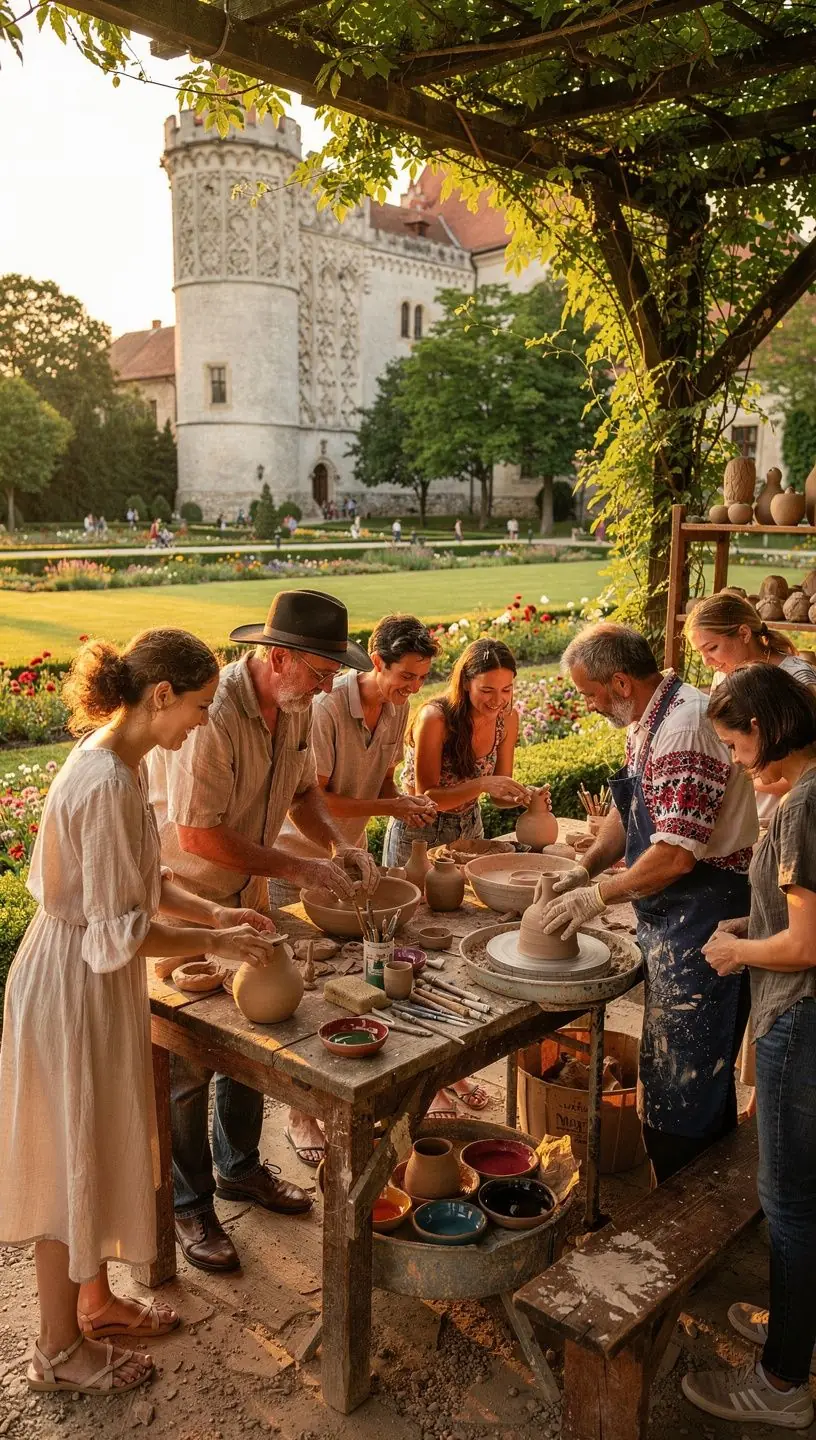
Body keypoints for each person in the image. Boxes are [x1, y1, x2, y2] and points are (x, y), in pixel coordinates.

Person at [0, 629, 277, 1398]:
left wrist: (221, 923)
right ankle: (56, 1353)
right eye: (194, 707)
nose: (198, 723)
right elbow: (127, 929)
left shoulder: (119, 760)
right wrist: (221, 945)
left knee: (93, 1142)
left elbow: (145, 883)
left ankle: (95, 1305)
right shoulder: (108, 782)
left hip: (91, 977)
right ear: (160, 697)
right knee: (67, 1162)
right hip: (72, 983)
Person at [147, 590, 379, 1274]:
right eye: (319, 669)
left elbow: (306, 793)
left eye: (336, 670)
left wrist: (336, 848)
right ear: (277, 658)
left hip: (238, 892)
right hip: (182, 898)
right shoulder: (215, 715)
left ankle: (239, 1167)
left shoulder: (294, 707)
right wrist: (296, 869)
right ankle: (189, 1206)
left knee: (254, 1028)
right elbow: (197, 832)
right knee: (192, 1055)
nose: (330, 682)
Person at [542, 623, 757, 1182]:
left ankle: (694, 1204)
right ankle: (690, 1186)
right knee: (671, 1073)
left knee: (687, 1082)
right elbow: (628, 808)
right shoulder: (649, 718)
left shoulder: (685, 727)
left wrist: (597, 898)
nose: (588, 705)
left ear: (619, 682)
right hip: (675, 909)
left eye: (589, 693)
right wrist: (582, 869)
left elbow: (674, 857)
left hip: (706, 910)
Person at [681, 665, 816, 1431]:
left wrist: (739, 954)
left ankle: (781, 1384)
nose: (732, 760)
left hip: (800, 1020)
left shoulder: (804, 804)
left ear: (764, 729)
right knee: (803, 1197)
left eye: (733, 744)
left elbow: (805, 946)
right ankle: (796, 1330)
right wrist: (749, 926)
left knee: (790, 1203)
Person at [278, 615, 440, 1165]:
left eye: (421, 678)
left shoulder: (395, 707)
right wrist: (391, 807)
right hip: (297, 857)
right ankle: (301, 1114)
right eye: (406, 676)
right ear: (376, 661)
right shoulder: (324, 708)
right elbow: (317, 802)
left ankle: (353, 1087)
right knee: (301, 985)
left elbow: (384, 779)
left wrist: (404, 801)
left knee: (348, 977)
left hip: (349, 854)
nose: (413, 688)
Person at [382, 638, 534, 1117]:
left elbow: (498, 792)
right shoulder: (435, 718)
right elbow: (428, 795)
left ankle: (453, 1069)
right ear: (465, 681)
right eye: (488, 689)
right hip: (418, 831)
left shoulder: (507, 719)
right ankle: (422, 1077)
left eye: (507, 689)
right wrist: (486, 784)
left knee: (459, 945)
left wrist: (521, 796)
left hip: (468, 829)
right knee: (413, 948)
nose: (498, 700)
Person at [685, 590, 816, 824]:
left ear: (744, 633)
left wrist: (742, 775)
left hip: (787, 814)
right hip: (742, 816)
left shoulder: (798, 677)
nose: (706, 661)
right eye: (700, 653)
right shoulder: (723, 677)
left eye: (712, 648)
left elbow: (806, 763)